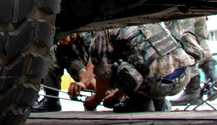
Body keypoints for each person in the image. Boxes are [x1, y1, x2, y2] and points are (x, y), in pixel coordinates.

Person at [70, 23, 203, 113]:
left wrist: (94, 101)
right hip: (184, 75)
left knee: (114, 65)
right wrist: (117, 95)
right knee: (149, 61)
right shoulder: (144, 21)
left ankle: (139, 102)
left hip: (158, 85)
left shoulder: (102, 35)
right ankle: (159, 105)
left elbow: (104, 76)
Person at [167, 17, 217, 106]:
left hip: (180, 9)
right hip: (199, 9)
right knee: (198, 40)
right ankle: (211, 73)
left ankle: (193, 89)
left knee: (184, 40)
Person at [33, 32, 92, 113]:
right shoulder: (61, 50)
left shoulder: (90, 38)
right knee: (50, 52)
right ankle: (51, 99)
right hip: (80, 67)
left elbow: (95, 63)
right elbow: (79, 70)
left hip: (100, 70)